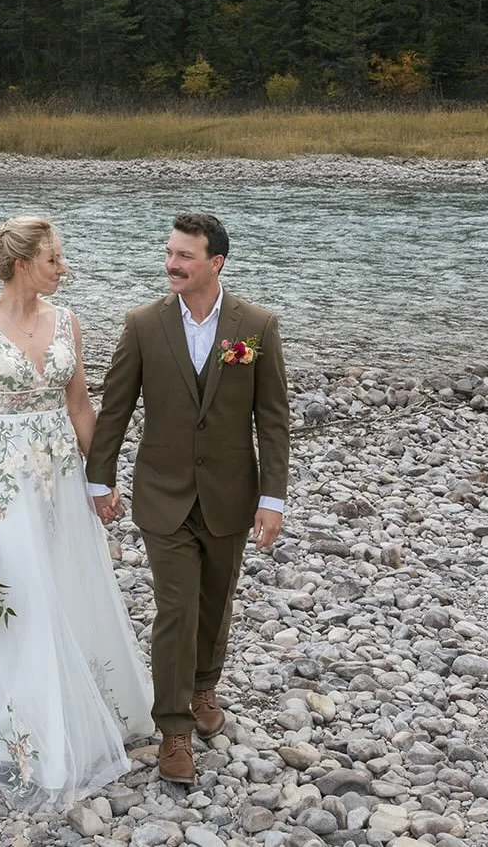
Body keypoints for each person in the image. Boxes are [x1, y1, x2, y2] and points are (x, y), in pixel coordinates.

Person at [0, 216, 152, 812]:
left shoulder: (69, 322)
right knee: (21, 591)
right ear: (25, 263)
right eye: (55, 259)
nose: (64, 268)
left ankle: (86, 705)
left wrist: (101, 480)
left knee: (69, 579)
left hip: (60, 473)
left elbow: (81, 405)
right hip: (2, 479)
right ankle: (31, 728)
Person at [86, 212, 290, 785]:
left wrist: (272, 498)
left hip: (231, 494)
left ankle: (204, 686)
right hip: (163, 495)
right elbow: (117, 407)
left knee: (216, 600)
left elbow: (273, 422)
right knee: (176, 608)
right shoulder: (143, 325)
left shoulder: (257, 326)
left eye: (185, 256)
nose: (172, 264)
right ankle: (173, 730)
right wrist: (99, 479)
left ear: (215, 263)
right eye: (170, 253)